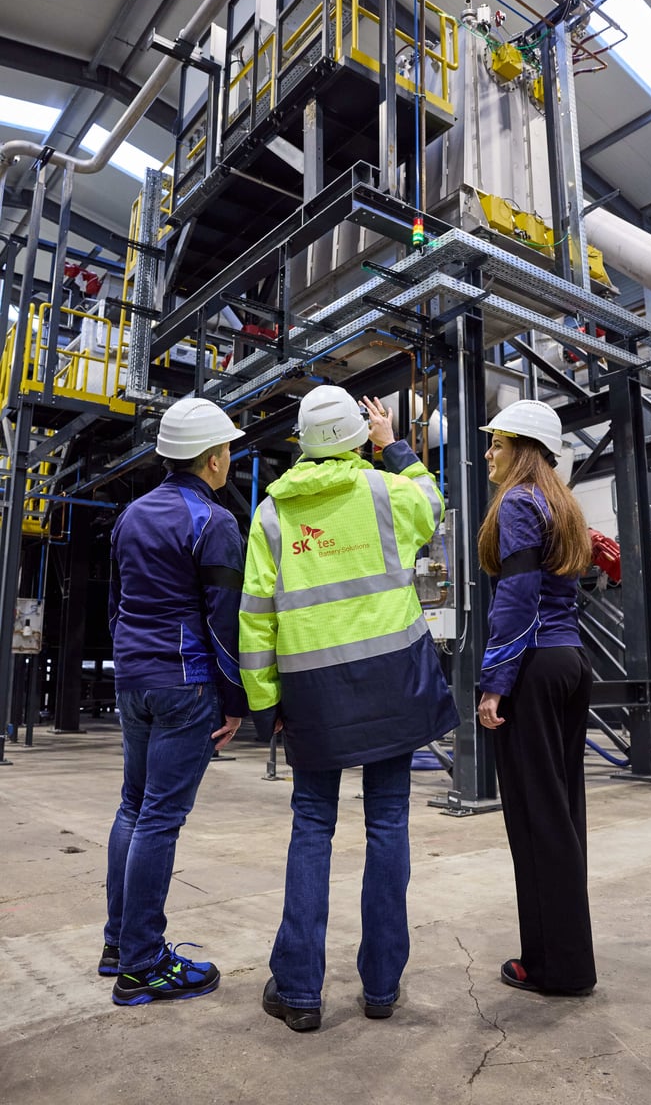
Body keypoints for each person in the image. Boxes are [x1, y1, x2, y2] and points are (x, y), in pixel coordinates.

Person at [239, 386, 459, 1032]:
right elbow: (433, 500)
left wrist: (265, 703)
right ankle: (382, 987)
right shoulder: (388, 493)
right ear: (359, 436)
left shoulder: (273, 514)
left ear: (302, 443)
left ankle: (301, 992)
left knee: (313, 827)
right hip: (392, 680)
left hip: (312, 689)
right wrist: (394, 445)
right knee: (387, 824)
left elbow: (255, 617)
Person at [101, 397, 249, 1006]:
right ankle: (142, 963)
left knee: (133, 807)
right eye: (228, 450)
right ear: (214, 458)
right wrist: (236, 699)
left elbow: (117, 603)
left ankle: (118, 943)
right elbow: (223, 621)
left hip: (133, 677)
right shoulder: (212, 524)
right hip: (184, 682)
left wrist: (133, 662)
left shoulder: (130, 515)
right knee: (160, 816)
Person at [476, 399, 597, 996]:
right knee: (563, 815)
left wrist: (495, 679)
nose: (489, 453)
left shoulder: (520, 503)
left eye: (497, 443)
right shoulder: (562, 502)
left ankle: (554, 968)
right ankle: (567, 958)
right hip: (571, 661)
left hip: (534, 667)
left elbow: (518, 598)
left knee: (534, 819)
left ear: (523, 448)